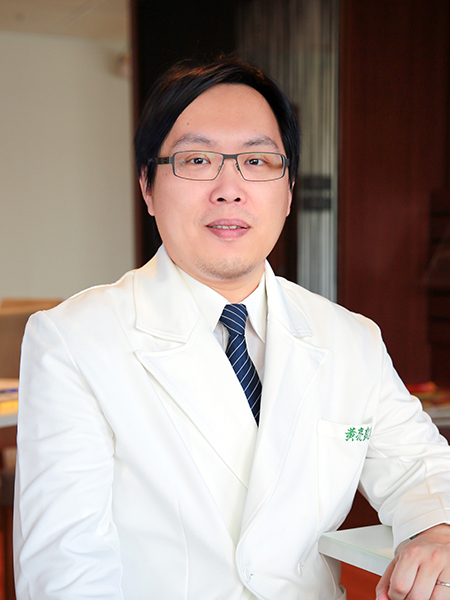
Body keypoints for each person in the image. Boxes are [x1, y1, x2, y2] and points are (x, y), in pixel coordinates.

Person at [13, 56, 450, 600]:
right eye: (197, 159)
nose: (229, 188)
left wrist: (437, 530)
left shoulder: (349, 338)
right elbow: (65, 571)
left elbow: (421, 469)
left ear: (288, 190)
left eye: (258, 161)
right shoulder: (73, 341)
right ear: (147, 185)